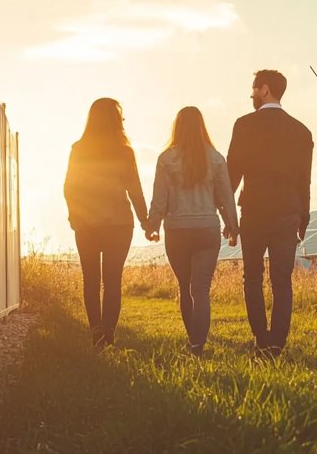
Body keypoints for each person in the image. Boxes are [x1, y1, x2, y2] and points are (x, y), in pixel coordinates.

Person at [226, 69, 314, 359]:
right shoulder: (302, 132)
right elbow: (304, 180)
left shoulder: (244, 125)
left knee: (252, 277)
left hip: (253, 211)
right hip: (288, 213)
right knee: (282, 280)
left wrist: (226, 214)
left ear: (264, 89)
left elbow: (232, 174)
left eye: (254, 88)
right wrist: (304, 217)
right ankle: (277, 343)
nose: (251, 94)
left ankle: (261, 339)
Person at [145, 107, 239, 356]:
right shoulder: (216, 158)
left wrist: (152, 225)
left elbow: (159, 199)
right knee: (201, 289)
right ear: (201, 126)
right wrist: (233, 227)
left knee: (185, 286)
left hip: (177, 230)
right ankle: (198, 343)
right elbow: (226, 197)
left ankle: (193, 340)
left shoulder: (166, 159)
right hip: (207, 229)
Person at [64, 98, 149, 348]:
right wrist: (146, 222)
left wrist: (75, 216)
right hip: (119, 224)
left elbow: (69, 187)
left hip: (87, 225)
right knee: (113, 280)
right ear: (116, 120)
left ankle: (96, 335)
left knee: (90, 280)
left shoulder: (79, 149)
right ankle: (108, 335)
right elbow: (135, 190)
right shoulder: (124, 152)